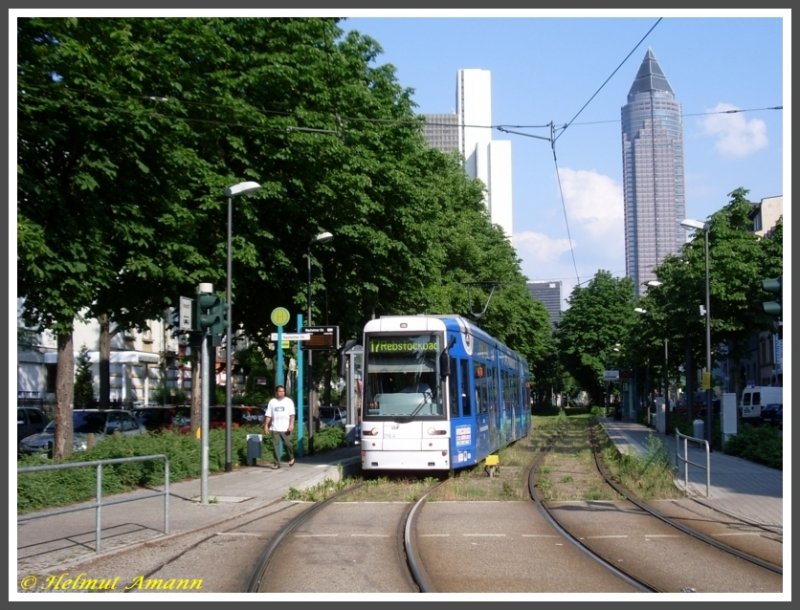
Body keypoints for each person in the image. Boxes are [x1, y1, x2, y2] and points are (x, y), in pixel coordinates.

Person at [263, 385, 296, 468]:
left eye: (283, 391)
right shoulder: (272, 402)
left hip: (286, 428)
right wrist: (266, 425)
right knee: (275, 446)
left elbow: (292, 415)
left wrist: (291, 424)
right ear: (276, 392)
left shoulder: (289, 401)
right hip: (275, 427)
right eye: (280, 391)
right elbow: (268, 415)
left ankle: (291, 457)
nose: (282, 393)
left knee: (288, 444)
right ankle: (277, 463)